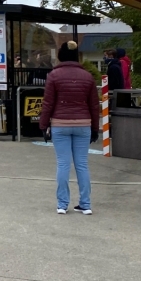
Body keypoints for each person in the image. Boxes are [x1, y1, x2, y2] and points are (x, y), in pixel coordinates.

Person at [39, 40, 100, 215]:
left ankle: (62, 204)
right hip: (83, 124)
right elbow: (94, 105)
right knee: (82, 164)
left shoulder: (54, 76)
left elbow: (48, 103)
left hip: (60, 124)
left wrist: (44, 125)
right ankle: (85, 204)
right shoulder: (87, 76)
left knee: (63, 164)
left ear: (61, 55)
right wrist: (95, 128)